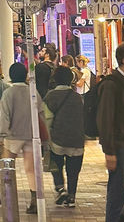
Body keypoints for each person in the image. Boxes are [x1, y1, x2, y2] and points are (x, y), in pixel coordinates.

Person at [0, 62, 44, 215]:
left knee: (8, 167)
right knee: (31, 169)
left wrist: (1, 135)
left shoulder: (8, 93)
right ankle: (34, 199)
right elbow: (41, 112)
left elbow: (4, 116)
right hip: (30, 135)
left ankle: (6, 195)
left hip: (13, 136)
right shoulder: (33, 91)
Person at [97, 40, 124, 222]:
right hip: (118, 145)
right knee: (117, 190)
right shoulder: (112, 84)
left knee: (120, 190)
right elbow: (105, 119)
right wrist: (109, 151)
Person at [44, 66, 85, 208]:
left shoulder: (50, 96)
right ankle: (71, 196)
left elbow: (47, 119)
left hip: (58, 139)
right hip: (76, 140)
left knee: (56, 165)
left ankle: (61, 188)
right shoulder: (78, 97)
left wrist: (47, 139)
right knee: (73, 170)